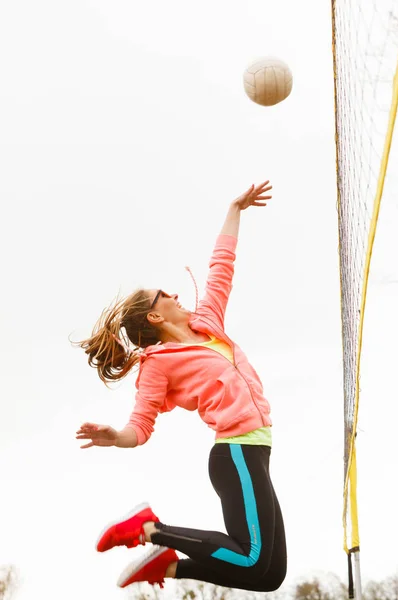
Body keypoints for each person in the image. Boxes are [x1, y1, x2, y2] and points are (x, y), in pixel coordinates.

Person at [75, 180, 287, 592]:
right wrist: (114, 436)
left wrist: (235, 210)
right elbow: (141, 426)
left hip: (258, 451)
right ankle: (150, 529)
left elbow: (221, 268)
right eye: (163, 295)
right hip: (236, 452)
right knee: (254, 555)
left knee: (269, 574)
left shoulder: (208, 323)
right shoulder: (156, 365)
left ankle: (166, 568)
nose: (174, 293)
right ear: (155, 318)